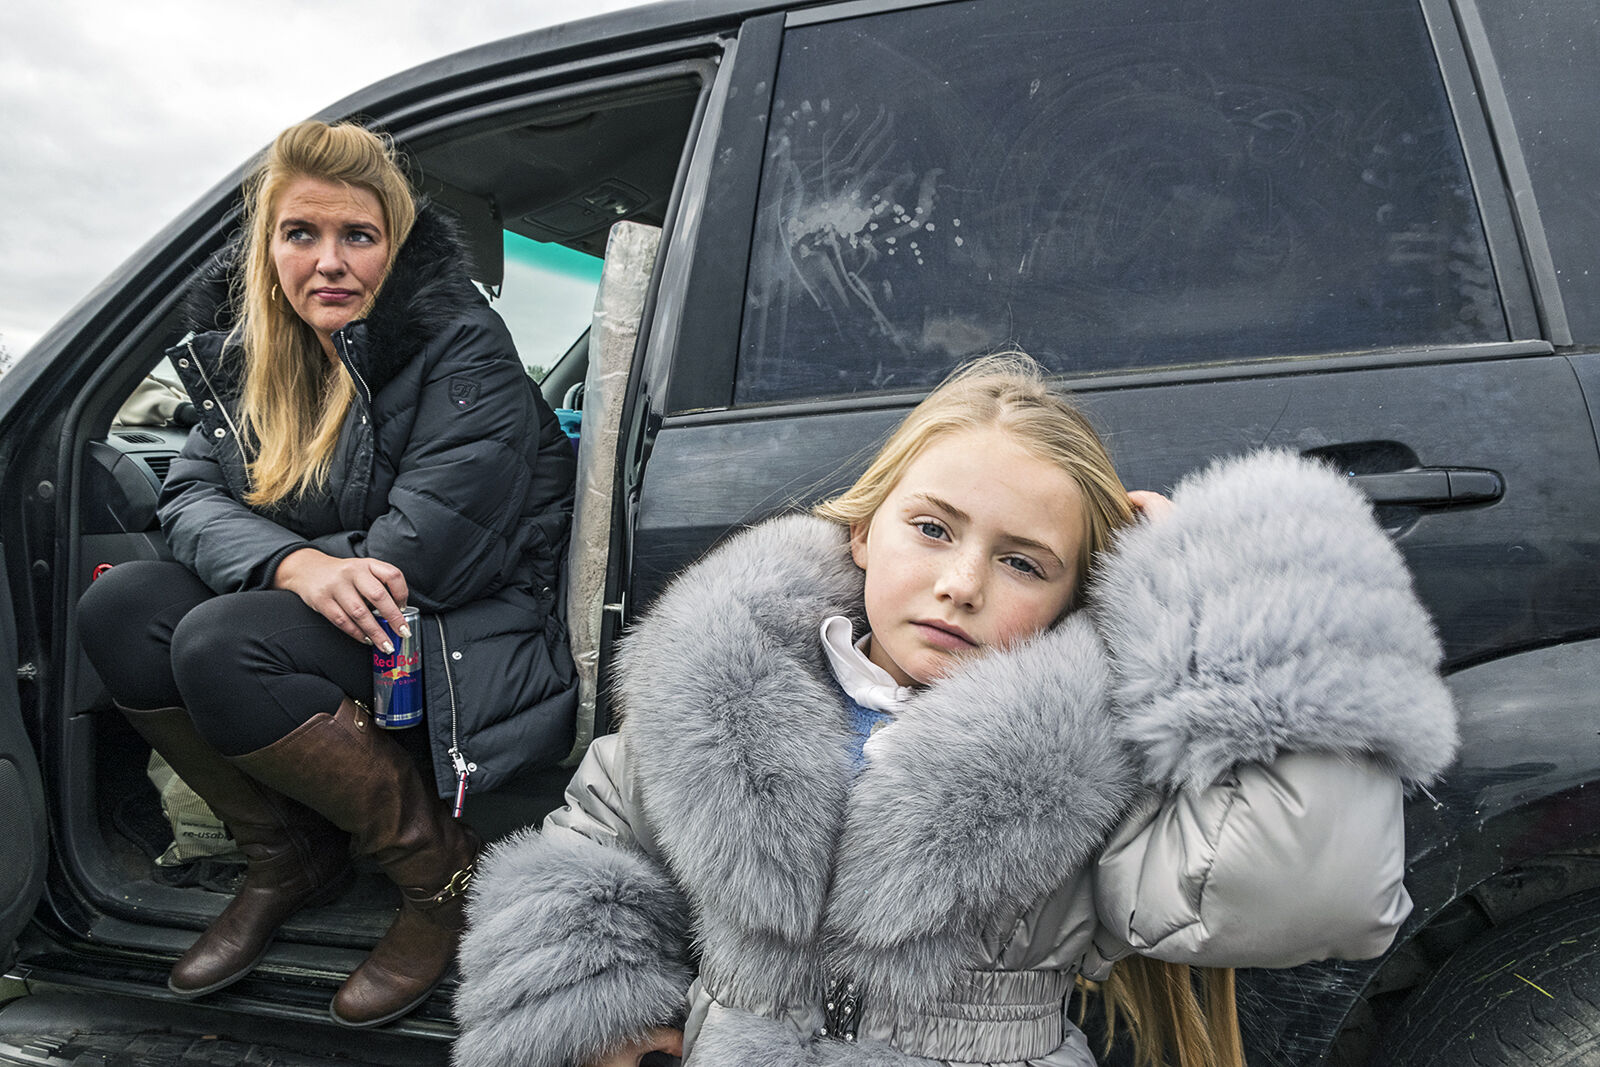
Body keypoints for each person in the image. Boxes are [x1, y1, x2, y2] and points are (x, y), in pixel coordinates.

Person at [451, 355, 1457, 1067]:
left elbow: (1313, 886)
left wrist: (1218, 596)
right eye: (932, 528)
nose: (962, 582)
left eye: (1023, 561)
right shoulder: (716, 685)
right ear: (863, 530)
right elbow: (598, 848)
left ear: (1077, 597)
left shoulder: (1094, 762)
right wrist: (600, 1019)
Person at [76, 120, 578, 1029]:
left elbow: (423, 555)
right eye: (301, 233)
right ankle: (288, 857)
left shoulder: (460, 343)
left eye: (359, 235)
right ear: (268, 251)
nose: (329, 261)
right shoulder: (251, 356)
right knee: (121, 605)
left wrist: (292, 565)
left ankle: (441, 874)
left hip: (459, 627)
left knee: (221, 642)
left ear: (396, 245)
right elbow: (188, 493)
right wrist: (290, 561)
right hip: (344, 602)